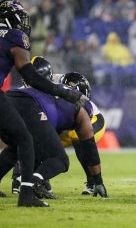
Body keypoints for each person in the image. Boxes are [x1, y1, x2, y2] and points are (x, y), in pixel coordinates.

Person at [0, 0, 86, 207]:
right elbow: (30, 75)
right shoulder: (15, 37)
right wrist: (61, 91)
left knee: (14, 141)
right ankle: (26, 195)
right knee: (25, 140)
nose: (23, 24)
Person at [1, 69, 108, 200]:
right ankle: (35, 181)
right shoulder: (84, 109)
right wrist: (98, 181)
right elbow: (89, 146)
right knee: (60, 159)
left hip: (8, 99)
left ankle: (30, 180)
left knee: (16, 147)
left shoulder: (58, 90)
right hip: (30, 107)